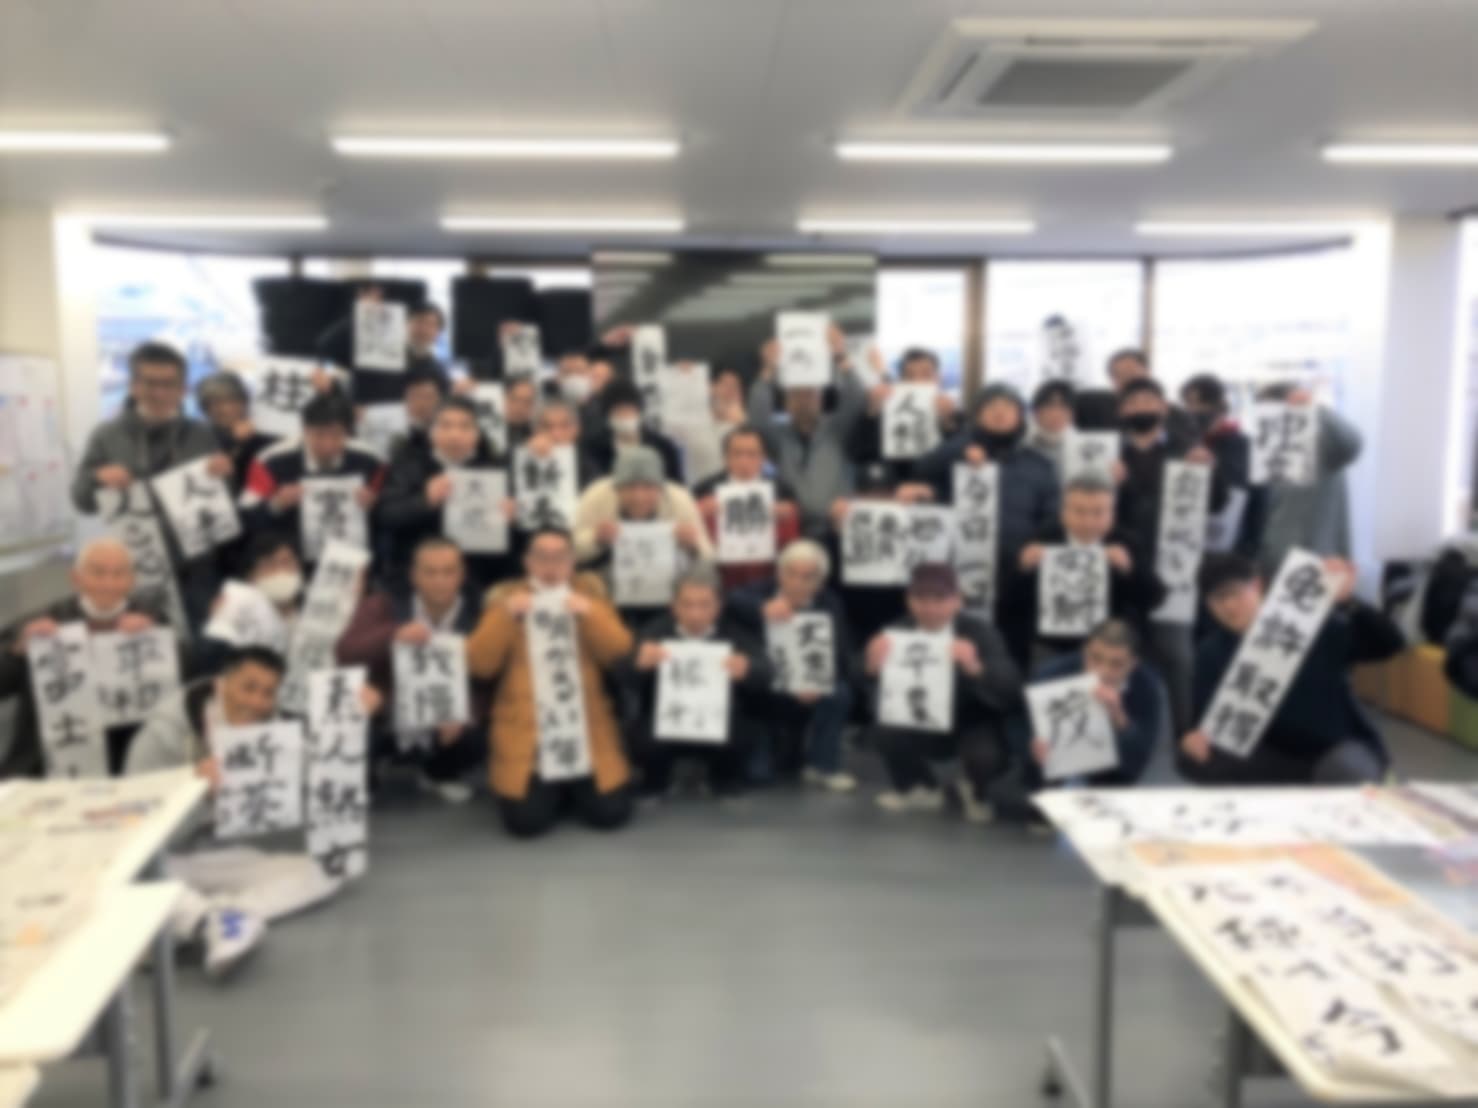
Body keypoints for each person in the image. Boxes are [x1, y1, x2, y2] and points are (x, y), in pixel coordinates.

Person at [126, 645, 365, 975]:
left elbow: (327, 782)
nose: (257, 702)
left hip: (217, 856)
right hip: (162, 858)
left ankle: (221, 916)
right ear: (221, 684)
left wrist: (347, 723)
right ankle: (205, 920)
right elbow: (135, 829)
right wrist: (196, 795)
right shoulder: (162, 736)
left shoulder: (274, 733)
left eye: (268, 693)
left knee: (331, 869)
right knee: (130, 875)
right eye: (248, 687)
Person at [464, 527, 636, 839]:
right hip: (528, 731)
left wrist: (589, 614)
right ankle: (555, 789)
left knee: (610, 814)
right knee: (526, 823)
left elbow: (620, 652)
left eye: (560, 558)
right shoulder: (504, 600)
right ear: (527, 562)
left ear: (572, 562)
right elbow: (479, 664)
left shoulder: (591, 596)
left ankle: (568, 788)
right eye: (541, 557)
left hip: (585, 728)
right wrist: (506, 616)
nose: (550, 566)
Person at [1177, 553, 1403, 786]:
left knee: (1346, 769)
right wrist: (1193, 737)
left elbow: (1390, 644)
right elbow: (1206, 717)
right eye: (1217, 599)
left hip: (1335, 746)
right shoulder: (1211, 651)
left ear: (1257, 585)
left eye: (1234, 593)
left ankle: (1372, 781)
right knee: (1196, 758)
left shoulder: (1309, 627)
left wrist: (1349, 602)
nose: (1228, 605)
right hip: (1273, 753)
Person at [71, 341, 234, 626]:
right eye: (150, 383)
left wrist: (225, 476)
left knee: (200, 641)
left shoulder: (202, 434)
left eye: (169, 384)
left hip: (197, 566)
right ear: (133, 386)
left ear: (183, 389)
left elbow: (225, 500)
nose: (159, 393)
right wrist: (97, 478)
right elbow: (81, 500)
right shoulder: (107, 434)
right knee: (144, 640)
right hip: (135, 565)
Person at [0, 539, 172, 779]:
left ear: (132, 580)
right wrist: (17, 651)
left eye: (119, 574)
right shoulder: (40, 623)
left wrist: (154, 639)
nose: (108, 583)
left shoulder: (152, 620)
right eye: (98, 573)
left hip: (127, 757)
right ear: (76, 578)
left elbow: (181, 685)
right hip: (46, 760)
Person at [1114, 378, 1228, 735]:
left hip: (1173, 569)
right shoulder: (1106, 452)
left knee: (1178, 656)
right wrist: (1108, 483)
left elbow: (1217, 504)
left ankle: (1186, 736)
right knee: (1118, 652)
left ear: (1164, 408)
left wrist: (1211, 472)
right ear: (1121, 410)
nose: (1141, 407)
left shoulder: (1186, 450)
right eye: (1133, 401)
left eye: (1149, 400)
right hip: (1121, 569)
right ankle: (1124, 735)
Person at [866, 564, 1023, 822]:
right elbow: (859, 677)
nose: (930, 608)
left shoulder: (980, 632)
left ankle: (975, 790)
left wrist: (976, 668)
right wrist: (870, 666)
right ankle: (919, 787)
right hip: (918, 719)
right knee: (883, 728)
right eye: (920, 599)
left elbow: (1011, 686)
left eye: (940, 599)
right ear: (908, 601)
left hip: (971, 720)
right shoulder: (896, 631)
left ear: (958, 600)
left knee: (985, 755)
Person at [336, 537, 486, 804]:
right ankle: (370, 773)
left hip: (444, 716)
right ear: (414, 575)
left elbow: (489, 677)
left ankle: (439, 773)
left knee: (479, 729)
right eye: (430, 572)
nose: (440, 580)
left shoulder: (479, 612)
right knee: (353, 707)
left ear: (462, 575)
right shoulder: (384, 604)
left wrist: (467, 713)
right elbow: (345, 650)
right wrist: (392, 634)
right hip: (389, 708)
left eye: (448, 572)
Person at [915, 382, 1060, 650]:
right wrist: (961, 448)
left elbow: (1052, 516)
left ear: (1021, 415)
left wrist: (1038, 546)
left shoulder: (1039, 464)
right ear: (977, 414)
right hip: (960, 570)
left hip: (1018, 573)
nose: (1000, 412)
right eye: (991, 406)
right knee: (963, 644)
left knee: (1014, 646)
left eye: (1008, 406)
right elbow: (920, 470)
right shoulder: (954, 454)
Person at [625, 569, 772, 799]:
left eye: (705, 605)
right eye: (687, 604)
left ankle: (723, 779)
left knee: (744, 729)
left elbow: (766, 671)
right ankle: (655, 780)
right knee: (641, 735)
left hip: (719, 722)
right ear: (673, 606)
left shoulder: (735, 632)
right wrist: (638, 664)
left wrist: (749, 669)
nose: (695, 614)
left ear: (719, 606)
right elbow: (623, 674)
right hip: (665, 722)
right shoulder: (654, 632)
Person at [727, 539, 857, 791]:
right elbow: (728, 600)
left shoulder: (830, 603)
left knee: (839, 693)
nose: (798, 583)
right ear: (779, 574)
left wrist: (819, 682)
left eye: (808, 577)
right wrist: (761, 607)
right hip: (764, 690)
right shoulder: (760, 592)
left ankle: (823, 765)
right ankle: (775, 749)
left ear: (820, 582)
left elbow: (841, 654)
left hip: (809, 688)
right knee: (758, 775)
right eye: (791, 574)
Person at [1005, 473, 1167, 664]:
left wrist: (1129, 570)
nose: (1088, 522)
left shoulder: (1127, 542)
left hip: (1112, 646)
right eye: (1079, 512)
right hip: (1054, 645)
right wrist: (1023, 569)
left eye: (1098, 513)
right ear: (1063, 512)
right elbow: (1009, 603)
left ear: (1112, 514)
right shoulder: (1043, 538)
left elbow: (1155, 597)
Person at [375, 396, 516, 591]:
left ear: (477, 434)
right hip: (416, 575)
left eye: (465, 427)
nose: (455, 435)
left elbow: (511, 544)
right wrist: (425, 500)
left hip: (476, 576)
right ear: (431, 432)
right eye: (445, 426)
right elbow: (385, 515)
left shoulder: (495, 471)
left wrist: (511, 521)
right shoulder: (408, 464)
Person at [573, 446, 713, 629]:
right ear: (616, 488)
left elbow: (708, 558)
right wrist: (595, 539)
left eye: (648, 487)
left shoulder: (679, 499)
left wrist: (692, 545)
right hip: (605, 591)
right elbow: (569, 552)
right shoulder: (596, 496)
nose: (639, 497)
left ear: (660, 488)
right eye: (630, 487)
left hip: (666, 593)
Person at [238, 392, 385, 567]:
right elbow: (245, 518)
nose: (328, 445)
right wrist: (276, 504)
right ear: (305, 430)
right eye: (319, 435)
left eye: (337, 435)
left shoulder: (371, 460)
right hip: (290, 559)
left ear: (348, 432)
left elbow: (388, 513)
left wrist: (375, 505)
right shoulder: (269, 461)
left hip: (351, 558)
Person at [748, 330, 868, 536]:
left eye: (811, 393)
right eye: (796, 394)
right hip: (793, 529)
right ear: (786, 402)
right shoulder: (778, 436)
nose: (804, 400)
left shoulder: (837, 429)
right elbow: (758, 416)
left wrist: (841, 358)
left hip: (836, 527)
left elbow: (856, 399)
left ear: (820, 399)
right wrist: (768, 369)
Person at [1026, 619, 1164, 789]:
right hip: (1051, 782)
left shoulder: (1146, 687)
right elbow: (1022, 741)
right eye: (1095, 659)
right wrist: (1033, 752)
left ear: (1132, 664)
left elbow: (1136, 764)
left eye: (1116, 664)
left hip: (1111, 784)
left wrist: (1119, 718)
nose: (1103, 671)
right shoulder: (1051, 675)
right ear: (1084, 653)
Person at [1254, 384, 1363, 576]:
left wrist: (1315, 410)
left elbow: (1351, 444)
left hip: (1314, 563)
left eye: (1272, 412)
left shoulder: (1321, 443)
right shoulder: (1266, 455)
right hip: (1271, 563)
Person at [692, 424, 801, 591]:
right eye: (737, 454)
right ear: (725, 457)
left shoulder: (782, 490)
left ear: (763, 457)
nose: (744, 461)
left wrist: (788, 516)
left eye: (752, 454)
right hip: (719, 574)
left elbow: (793, 546)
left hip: (768, 574)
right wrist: (698, 512)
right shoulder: (704, 489)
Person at [848, 348, 963, 485]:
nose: (918, 381)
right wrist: (872, 413)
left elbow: (963, 461)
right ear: (902, 381)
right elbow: (858, 454)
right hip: (893, 489)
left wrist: (948, 424)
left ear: (938, 378)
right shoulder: (886, 411)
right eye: (910, 376)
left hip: (936, 491)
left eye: (926, 374)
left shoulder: (954, 415)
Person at [1181, 373, 1266, 558]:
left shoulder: (1245, 445)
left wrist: (1250, 547)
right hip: (1185, 543)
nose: (1194, 410)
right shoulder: (1182, 444)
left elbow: (1259, 500)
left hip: (1232, 546)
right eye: (1188, 403)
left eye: (1201, 403)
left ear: (1219, 406)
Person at [197, 531, 303, 675]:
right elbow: (210, 665)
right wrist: (219, 622)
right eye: (270, 565)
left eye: (287, 562)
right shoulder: (237, 614)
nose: (281, 571)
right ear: (251, 577)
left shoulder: (314, 608)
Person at [317, 291, 449, 407]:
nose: (424, 329)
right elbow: (327, 345)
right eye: (419, 321)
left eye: (431, 325)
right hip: (363, 421)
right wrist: (359, 316)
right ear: (406, 323)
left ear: (438, 333)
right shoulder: (376, 351)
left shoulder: (439, 373)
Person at [583, 377, 684, 483]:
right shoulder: (594, 450)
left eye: (629, 411)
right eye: (619, 412)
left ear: (640, 413)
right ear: (608, 417)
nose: (624, 417)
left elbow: (676, 485)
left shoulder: (663, 448)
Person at [195, 372, 278, 494]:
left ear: (244, 402)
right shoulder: (198, 438)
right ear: (205, 408)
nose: (225, 409)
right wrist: (234, 441)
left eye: (232, 400)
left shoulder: (267, 435)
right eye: (216, 403)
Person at [1104, 348, 1197, 450]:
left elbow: (1188, 449)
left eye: (1131, 373)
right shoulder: (1099, 412)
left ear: (1147, 372)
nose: (1126, 379)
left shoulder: (1177, 416)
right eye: (1119, 375)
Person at [683, 366, 748, 486]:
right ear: (710, 387)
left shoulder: (742, 427)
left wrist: (743, 426)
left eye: (736, 387)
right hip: (699, 490)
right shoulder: (692, 422)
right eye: (726, 385)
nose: (731, 392)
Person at [388, 364, 449, 464]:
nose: (421, 404)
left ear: (440, 399)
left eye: (427, 397)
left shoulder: (450, 433)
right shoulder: (395, 434)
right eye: (414, 396)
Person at [1026, 379, 1076, 474]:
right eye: (1050, 406)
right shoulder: (1020, 446)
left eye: (1064, 406)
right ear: (1036, 411)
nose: (1056, 413)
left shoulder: (1080, 448)